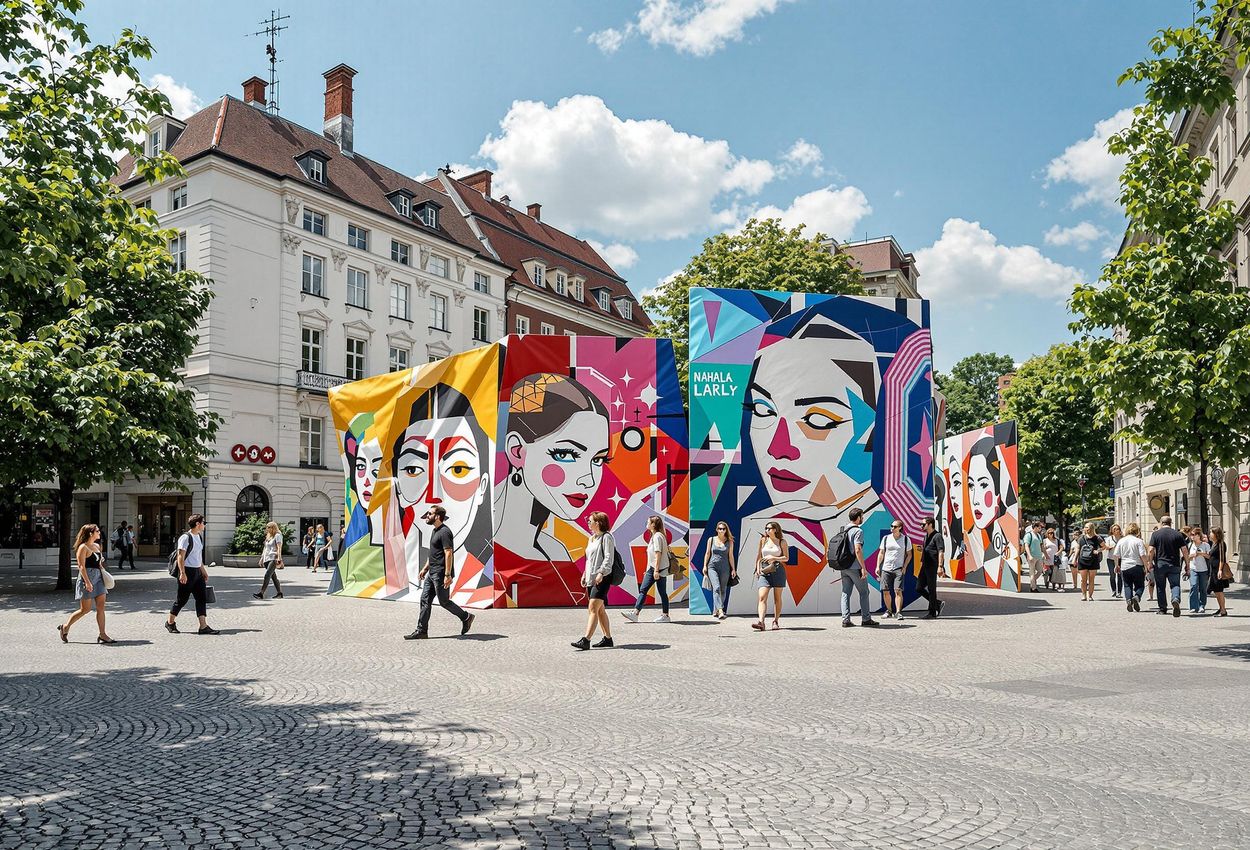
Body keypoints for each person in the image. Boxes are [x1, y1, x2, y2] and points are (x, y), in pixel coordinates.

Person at [404, 506, 474, 640]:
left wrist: (447, 575)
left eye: (430, 514)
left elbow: (448, 553)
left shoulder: (445, 532)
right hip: (432, 573)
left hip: (441, 573)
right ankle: (421, 631)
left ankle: (466, 617)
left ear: (437, 517)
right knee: (425, 600)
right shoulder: (435, 531)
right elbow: (433, 553)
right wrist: (425, 569)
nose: (427, 516)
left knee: (444, 601)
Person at [57, 524, 114, 644]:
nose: (99, 532)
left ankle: (102, 634)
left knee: (101, 607)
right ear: (90, 533)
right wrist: (87, 582)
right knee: (85, 609)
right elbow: (81, 566)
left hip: (98, 578)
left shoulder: (97, 546)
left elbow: (98, 563)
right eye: (97, 531)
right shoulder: (83, 547)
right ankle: (65, 627)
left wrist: (103, 569)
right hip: (87, 578)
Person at [166, 514, 218, 635]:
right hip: (187, 571)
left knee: (201, 598)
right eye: (204, 523)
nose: (204, 525)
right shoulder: (185, 538)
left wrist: (203, 571)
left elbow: (198, 557)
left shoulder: (199, 537)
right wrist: (182, 573)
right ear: (198, 524)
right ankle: (170, 622)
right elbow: (180, 556)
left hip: (197, 572)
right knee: (182, 600)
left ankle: (203, 626)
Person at [572, 511, 614, 650]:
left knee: (592, 608)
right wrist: (585, 574)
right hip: (591, 578)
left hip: (602, 577)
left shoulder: (607, 537)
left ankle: (586, 640)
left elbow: (608, 558)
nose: (588, 523)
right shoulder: (591, 539)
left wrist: (601, 572)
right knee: (600, 610)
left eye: (590, 521)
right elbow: (589, 559)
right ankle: (608, 639)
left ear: (598, 523)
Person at [623, 516, 672, 624]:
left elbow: (658, 554)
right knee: (662, 592)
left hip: (656, 569)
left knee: (643, 590)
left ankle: (635, 613)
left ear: (653, 525)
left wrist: (656, 570)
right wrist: (649, 569)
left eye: (648, 522)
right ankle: (665, 615)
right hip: (655, 568)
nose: (647, 523)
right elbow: (653, 556)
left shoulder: (657, 536)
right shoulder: (657, 536)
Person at [838, 507, 879, 628]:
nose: (863, 518)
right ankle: (866, 619)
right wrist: (863, 567)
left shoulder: (844, 529)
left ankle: (845, 620)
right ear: (858, 518)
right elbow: (858, 549)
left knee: (845, 592)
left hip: (844, 566)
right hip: (855, 567)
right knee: (864, 592)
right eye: (862, 516)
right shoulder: (858, 531)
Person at [751, 521, 789, 631]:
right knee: (762, 597)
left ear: (775, 529)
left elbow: (786, 558)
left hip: (778, 569)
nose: (767, 530)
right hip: (764, 570)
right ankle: (761, 622)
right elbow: (759, 556)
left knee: (777, 598)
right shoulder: (763, 540)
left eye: (769, 528)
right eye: (766, 528)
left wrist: (774, 558)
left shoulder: (782, 542)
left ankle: (775, 621)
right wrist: (757, 568)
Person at [1148, 516, 1187, 617]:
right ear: (1171, 523)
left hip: (1160, 564)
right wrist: (1187, 564)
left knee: (1160, 586)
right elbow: (1184, 550)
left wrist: (1149, 562)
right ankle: (1175, 598)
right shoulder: (1178, 534)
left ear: (1161, 523)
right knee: (1175, 584)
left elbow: (1151, 550)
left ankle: (1162, 608)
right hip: (1174, 564)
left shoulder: (1156, 534)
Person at [702, 521, 736, 620]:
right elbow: (707, 553)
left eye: (723, 529)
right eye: (720, 529)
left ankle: (716, 610)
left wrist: (733, 569)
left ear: (726, 530)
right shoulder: (711, 539)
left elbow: (731, 556)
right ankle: (721, 610)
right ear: (717, 529)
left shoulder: (729, 541)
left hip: (725, 567)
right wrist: (705, 566)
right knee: (716, 587)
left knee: (723, 589)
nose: (721, 530)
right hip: (712, 566)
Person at [878, 520, 910, 620]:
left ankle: (898, 612)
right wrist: (878, 566)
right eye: (891, 526)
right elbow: (881, 553)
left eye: (894, 526)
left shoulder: (905, 539)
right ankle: (889, 611)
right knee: (885, 591)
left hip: (898, 569)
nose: (892, 528)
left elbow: (909, 554)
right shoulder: (886, 538)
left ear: (900, 528)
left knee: (898, 591)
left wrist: (904, 567)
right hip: (886, 568)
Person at [1115, 522, 1148, 612]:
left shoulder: (1121, 541)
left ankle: (1129, 600)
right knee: (1140, 585)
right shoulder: (1139, 541)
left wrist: (1117, 565)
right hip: (1137, 566)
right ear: (1137, 531)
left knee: (1127, 585)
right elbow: (1142, 555)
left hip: (1125, 566)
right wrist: (1146, 566)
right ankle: (1137, 596)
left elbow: (1116, 555)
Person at [918, 517, 944, 618]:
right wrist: (923, 549)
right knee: (919, 588)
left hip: (932, 565)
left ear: (930, 524)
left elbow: (941, 551)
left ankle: (932, 612)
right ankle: (937, 603)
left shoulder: (937, 536)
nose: (921, 526)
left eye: (923, 524)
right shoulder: (926, 536)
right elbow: (930, 549)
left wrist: (940, 566)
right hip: (925, 565)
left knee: (931, 588)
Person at [252, 521, 285, 600]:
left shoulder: (278, 535)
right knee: (273, 577)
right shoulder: (268, 536)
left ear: (273, 528)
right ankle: (279, 593)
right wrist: (261, 558)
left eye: (269, 527)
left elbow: (279, 547)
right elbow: (265, 548)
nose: (267, 529)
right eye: (267, 527)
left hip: (273, 558)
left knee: (267, 575)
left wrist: (279, 557)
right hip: (266, 558)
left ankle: (261, 593)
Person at [1185, 526, 1211, 615]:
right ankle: (1193, 606)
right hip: (1193, 569)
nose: (1191, 536)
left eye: (1193, 534)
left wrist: (1201, 554)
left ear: (1198, 535)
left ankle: (1202, 605)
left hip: (1204, 569)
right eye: (1191, 535)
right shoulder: (1190, 545)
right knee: (1194, 586)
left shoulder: (1206, 545)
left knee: (1203, 588)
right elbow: (1186, 557)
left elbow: (1209, 556)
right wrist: (1192, 556)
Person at [1207, 526, 1232, 617]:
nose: (1209, 534)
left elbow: (1222, 558)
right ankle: (1221, 608)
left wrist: (1220, 570)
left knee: (1219, 590)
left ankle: (1223, 610)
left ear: (1216, 534)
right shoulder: (1214, 543)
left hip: (1218, 570)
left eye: (1211, 533)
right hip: (1213, 570)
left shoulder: (1221, 544)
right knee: (1216, 590)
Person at [1075, 523, 1103, 602]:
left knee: (1091, 579)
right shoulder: (1081, 538)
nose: (1086, 529)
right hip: (1082, 560)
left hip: (1093, 560)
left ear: (1091, 528)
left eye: (1087, 527)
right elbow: (1078, 548)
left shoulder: (1097, 538)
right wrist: (1074, 559)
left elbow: (1104, 546)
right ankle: (1084, 595)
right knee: (1083, 580)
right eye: (1085, 527)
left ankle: (1090, 596)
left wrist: (1098, 551)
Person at [1025, 521, 1045, 592]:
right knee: (1032, 572)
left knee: (1040, 571)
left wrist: (1045, 554)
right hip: (1032, 557)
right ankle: (1033, 588)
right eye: (1039, 527)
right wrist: (1029, 555)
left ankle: (1032, 581)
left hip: (1039, 556)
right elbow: (1026, 546)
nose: (1040, 529)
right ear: (1035, 527)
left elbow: (1041, 546)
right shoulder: (1029, 535)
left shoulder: (1039, 535)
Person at [1105, 524, 1123, 598]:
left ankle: (1119, 592)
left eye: (1117, 529)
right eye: (1114, 529)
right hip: (1111, 559)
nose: (1116, 530)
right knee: (1112, 575)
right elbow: (1106, 547)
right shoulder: (1109, 538)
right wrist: (1111, 547)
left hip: (1120, 559)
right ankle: (1114, 590)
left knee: (1120, 575)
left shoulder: (1122, 538)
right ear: (1112, 531)